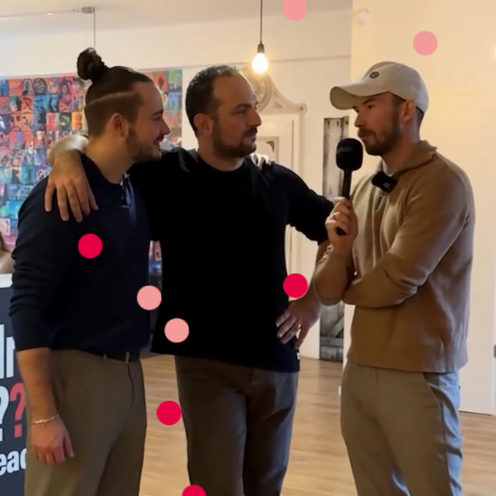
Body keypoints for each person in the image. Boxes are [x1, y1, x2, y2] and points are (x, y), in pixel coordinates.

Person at [44, 64, 333, 496]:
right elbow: (95, 143)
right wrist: (65, 155)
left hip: (277, 359)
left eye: (253, 108)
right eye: (241, 111)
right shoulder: (165, 173)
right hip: (207, 363)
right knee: (217, 486)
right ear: (204, 123)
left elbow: (337, 232)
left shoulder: (275, 180)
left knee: (266, 486)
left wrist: (314, 300)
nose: (256, 119)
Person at [9, 48, 170, 496]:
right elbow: (28, 306)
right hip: (74, 377)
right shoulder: (58, 198)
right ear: (119, 124)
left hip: (129, 373)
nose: (165, 129)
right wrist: (44, 415)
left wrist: (67, 149)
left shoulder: (131, 188)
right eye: (156, 118)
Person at [312, 61, 475, 496]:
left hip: (419, 375)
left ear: (406, 109)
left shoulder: (443, 183)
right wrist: (339, 251)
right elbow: (325, 291)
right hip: (361, 369)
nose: (358, 120)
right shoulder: (363, 189)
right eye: (356, 110)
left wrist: (348, 288)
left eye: (369, 106)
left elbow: (397, 280)